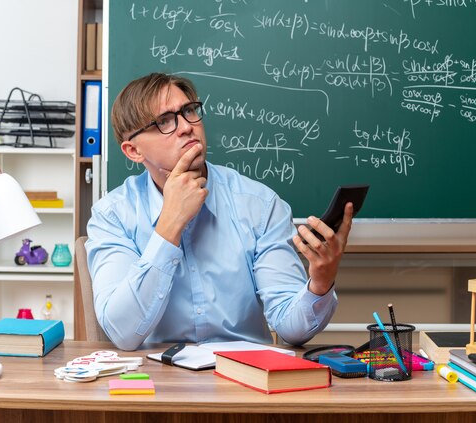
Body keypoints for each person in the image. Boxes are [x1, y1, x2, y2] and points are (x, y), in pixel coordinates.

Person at [86, 73, 354, 350]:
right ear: (133, 151)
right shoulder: (112, 215)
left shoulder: (259, 205)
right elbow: (123, 334)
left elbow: (292, 330)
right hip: (154, 384)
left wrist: (320, 282)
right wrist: (169, 225)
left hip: (244, 380)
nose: (186, 127)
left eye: (189, 111)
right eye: (164, 121)